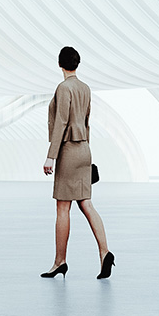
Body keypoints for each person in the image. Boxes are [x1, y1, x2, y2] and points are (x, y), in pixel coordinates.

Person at [40, 45, 114, 279]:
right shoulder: (85, 88)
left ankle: (60, 262)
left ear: (60, 64)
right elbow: (87, 121)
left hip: (69, 150)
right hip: (84, 148)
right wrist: (87, 149)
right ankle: (105, 253)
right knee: (87, 204)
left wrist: (51, 155)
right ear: (77, 64)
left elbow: (61, 121)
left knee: (63, 208)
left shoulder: (64, 88)